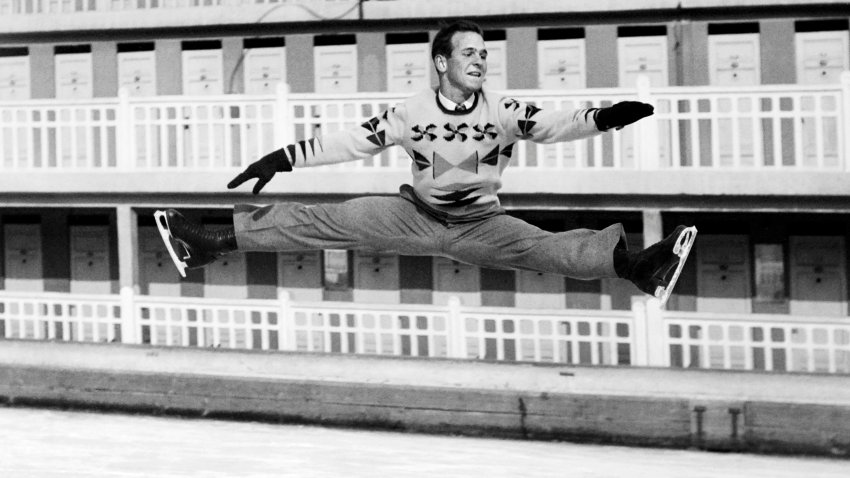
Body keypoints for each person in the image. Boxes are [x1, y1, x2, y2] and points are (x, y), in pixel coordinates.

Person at [155, 20, 696, 304]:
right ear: (442, 62)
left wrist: (604, 117)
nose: (480, 61)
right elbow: (351, 141)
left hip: (482, 225)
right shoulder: (410, 112)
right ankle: (209, 242)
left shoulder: (503, 109)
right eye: (469, 53)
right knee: (329, 219)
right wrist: (282, 158)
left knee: (546, 247)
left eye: (485, 53)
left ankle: (640, 269)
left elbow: (552, 123)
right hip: (412, 216)